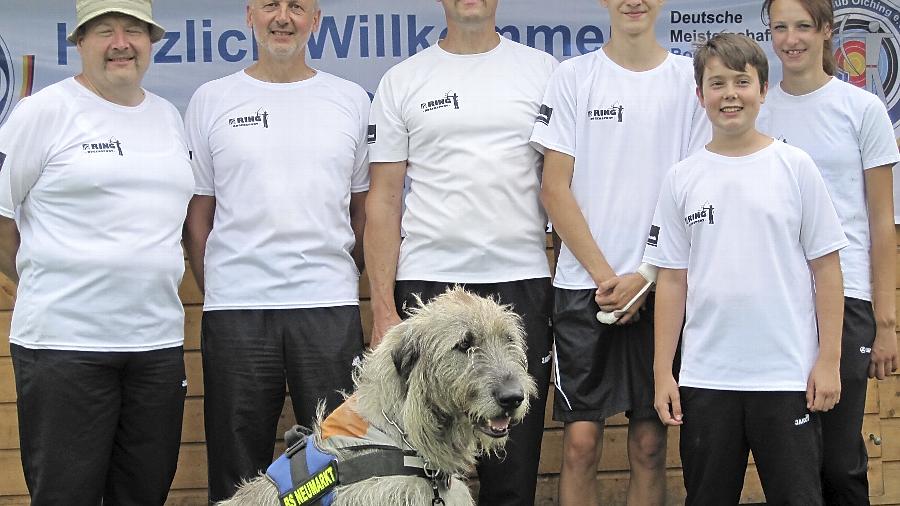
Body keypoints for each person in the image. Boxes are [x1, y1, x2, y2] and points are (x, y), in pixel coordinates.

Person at [0, 1, 194, 504]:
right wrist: (51, 279)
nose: (120, 43)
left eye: (133, 30)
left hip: (155, 347)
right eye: (105, 31)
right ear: (80, 42)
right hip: (64, 347)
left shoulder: (168, 118)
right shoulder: (42, 112)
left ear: (151, 42)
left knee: (144, 493)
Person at [364, 1, 557, 504]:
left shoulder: (543, 72)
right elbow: (383, 200)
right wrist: (384, 308)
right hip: (427, 293)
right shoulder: (403, 79)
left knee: (511, 468)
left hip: (520, 283)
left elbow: (563, 183)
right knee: (415, 468)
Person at [648, 33, 848, 505]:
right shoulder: (682, 177)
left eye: (742, 81)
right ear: (700, 96)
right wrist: (663, 373)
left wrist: (829, 359)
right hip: (707, 379)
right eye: (717, 83)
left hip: (787, 378)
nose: (730, 94)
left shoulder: (795, 167)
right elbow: (672, 280)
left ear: (762, 90)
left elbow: (828, 269)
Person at [182, 0, 370, 502]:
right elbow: (198, 213)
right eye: (270, 5)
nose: (282, 17)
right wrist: (220, 282)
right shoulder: (211, 99)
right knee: (236, 462)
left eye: (296, 6)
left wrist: (338, 270)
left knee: (338, 461)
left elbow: (364, 210)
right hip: (237, 309)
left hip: (328, 307)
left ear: (316, 19)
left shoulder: (350, 99)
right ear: (249, 16)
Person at [530, 0, 709, 503]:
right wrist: (610, 279)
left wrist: (647, 276)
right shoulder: (573, 77)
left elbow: (694, 192)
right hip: (586, 289)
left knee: (651, 444)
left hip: (662, 288)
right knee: (580, 446)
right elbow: (554, 189)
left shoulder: (687, 81)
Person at [757, 0, 900, 502]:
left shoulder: (862, 109)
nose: (791, 39)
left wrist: (886, 323)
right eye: (780, 27)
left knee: (839, 463)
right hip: (779, 306)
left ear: (824, 31)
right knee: (793, 464)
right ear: (769, 34)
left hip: (849, 301)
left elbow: (882, 223)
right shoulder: (759, 109)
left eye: (802, 26)